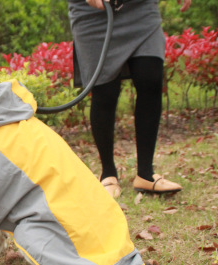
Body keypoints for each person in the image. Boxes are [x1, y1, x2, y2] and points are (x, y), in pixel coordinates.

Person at [68, 0, 191, 198]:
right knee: (105, 93)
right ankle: (108, 173)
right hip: (93, 12)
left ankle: (146, 173)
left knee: (150, 77)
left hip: (140, 8)